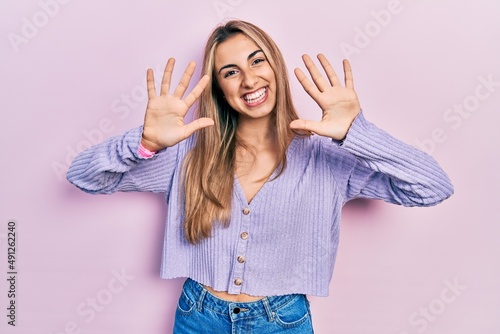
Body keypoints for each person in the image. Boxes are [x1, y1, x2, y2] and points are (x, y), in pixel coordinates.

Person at [67, 20, 453, 333]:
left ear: (276, 68)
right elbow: (84, 176)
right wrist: (145, 140)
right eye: (230, 72)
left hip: (282, 321)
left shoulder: (326, 158)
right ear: (219, 89)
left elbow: (432, 187)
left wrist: (357, 132)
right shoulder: (187, 154)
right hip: (198, 316)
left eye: (257, 61)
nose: (248, 80)